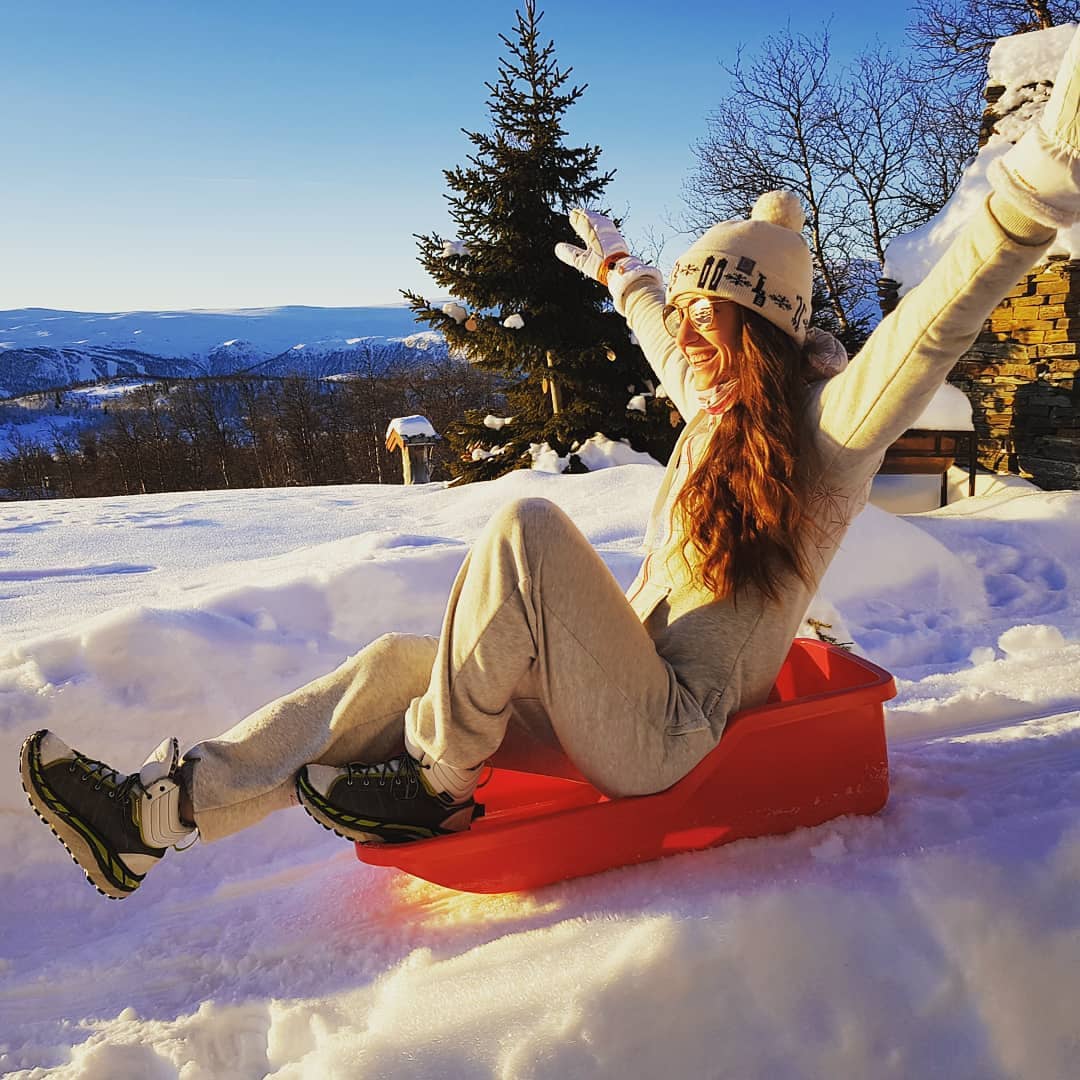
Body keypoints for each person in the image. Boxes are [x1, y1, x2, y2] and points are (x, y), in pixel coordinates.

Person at [20, 28, 1080, 899]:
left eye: (716, 321)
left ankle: (438, 779)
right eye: (698, 318)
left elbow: (935, 328)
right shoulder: (718, 406)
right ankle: (157, 813)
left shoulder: (830, 436)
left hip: (668, 734)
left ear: (759, 335)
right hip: (614, 694)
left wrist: (1035, 188)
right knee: (399, 658)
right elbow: (665, 332)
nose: (694, 341)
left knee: (528, 528)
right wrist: (624, 270)